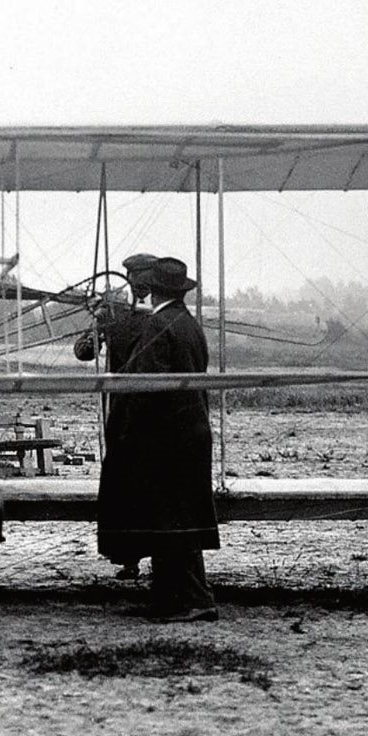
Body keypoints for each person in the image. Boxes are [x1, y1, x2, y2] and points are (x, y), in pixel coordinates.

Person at [94, 254, 219, 620]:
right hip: (189, 434)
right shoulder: (188, 323)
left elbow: (143, 389)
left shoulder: (159, 325)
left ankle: (192, 601)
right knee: (179, 521)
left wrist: (125, 433)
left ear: (153, 288)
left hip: (166, 440)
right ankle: (173, 597)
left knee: (170, 523)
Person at [75, 253, 156, 579]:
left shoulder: (160, 317)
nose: (137, 284)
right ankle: (129, 557)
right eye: (133, 277)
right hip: (122, 413)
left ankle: (146, 556)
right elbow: (83, 352)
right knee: (127, 483)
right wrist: (99, 324)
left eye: (141, 277)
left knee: (146, 482)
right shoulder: (115, 317)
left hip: (146, 411)